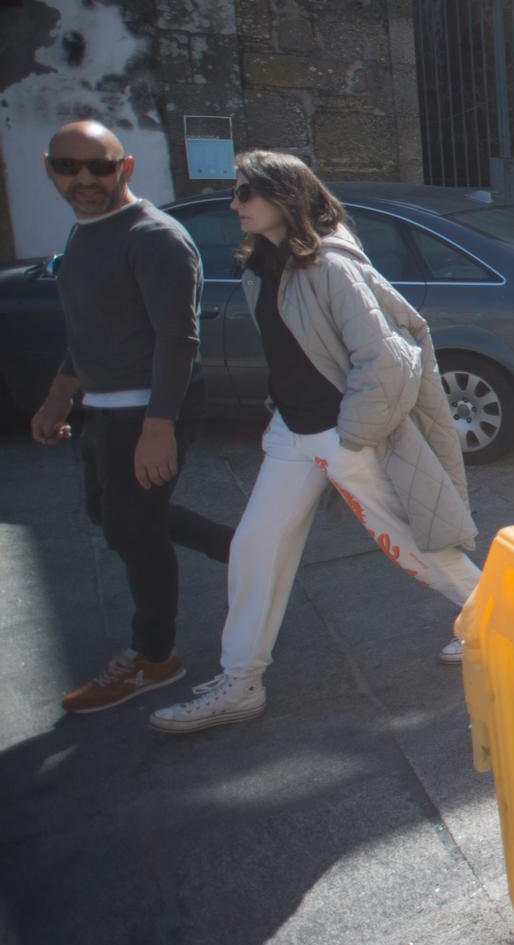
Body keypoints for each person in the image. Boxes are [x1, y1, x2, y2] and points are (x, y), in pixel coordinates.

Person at [149, 152, 482, 733]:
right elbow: (297, 357)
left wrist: (351, 438)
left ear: (285, 196)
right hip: (293, 433)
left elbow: (384, 359)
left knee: (412, 539)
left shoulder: (330, 267)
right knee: (256, 547)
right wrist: (282, 413)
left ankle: (500, 623)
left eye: (246, 192)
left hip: (340, 433)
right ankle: (240, 680)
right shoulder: (263, 269)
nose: (235, 204)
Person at [34, 121, 235, 714]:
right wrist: (58, 395)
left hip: (149, 409)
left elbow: (178, 339)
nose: (85, 178)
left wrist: (157, 427)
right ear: (51, 168)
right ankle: (239, 548)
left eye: (100, 166)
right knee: (110, 511)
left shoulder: (154, 238)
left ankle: (155, 658)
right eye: (70, 166)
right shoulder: (86, 232)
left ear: (126, 169)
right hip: (103, 406)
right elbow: (89, 329)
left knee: (133, 529)